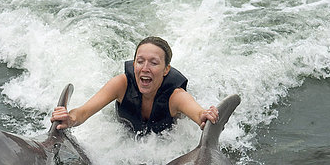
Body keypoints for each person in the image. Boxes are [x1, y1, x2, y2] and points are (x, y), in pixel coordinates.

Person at [51, 36, 219, 134]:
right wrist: (69, 119)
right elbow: (83, 112)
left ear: (166, 69)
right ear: (134, 65)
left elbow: (199, 115)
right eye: (140, 62)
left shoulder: (176, 96)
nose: (145, 68)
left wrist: (205, 116)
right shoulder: (121, 84)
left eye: (154, 63)